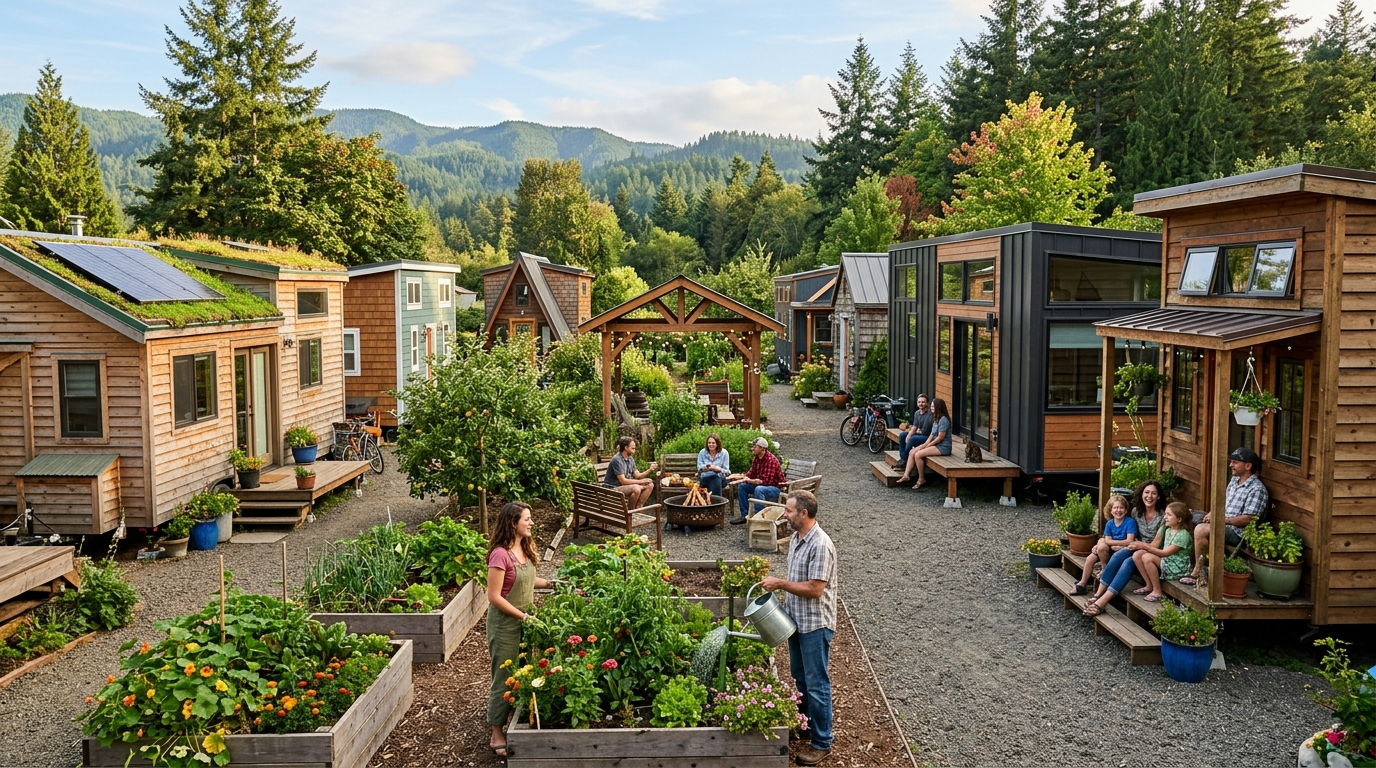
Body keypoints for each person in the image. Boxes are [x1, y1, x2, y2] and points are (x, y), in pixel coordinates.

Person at [760, 490, 836, 766]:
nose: (785, 514)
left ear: (803, 514)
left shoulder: (820, 545)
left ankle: (822, 742)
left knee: (817, 683)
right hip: (797, 621)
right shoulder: (796, 538)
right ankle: (806, 725)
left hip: (816, 624)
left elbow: (815, 589)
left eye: (789, 511)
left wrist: (780, 584)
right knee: (800, 677)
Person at [486, 501, 554, 757]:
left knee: (522, 670)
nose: (532, 523)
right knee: (503, 676)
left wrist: (551, 583)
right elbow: (494, 596)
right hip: (505, 624)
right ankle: (496, 731)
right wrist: (524, 617)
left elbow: (524, 579)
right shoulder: (500, 554)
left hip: (526, 621)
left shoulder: (522, 548)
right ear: (513, 523)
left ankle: (513, 711)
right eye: (527, 519)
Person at [1184, 446, 1267, 585]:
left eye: (1235, 462)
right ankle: (1190, 565)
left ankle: (1200, 572)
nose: (1231, 465)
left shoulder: (1257, 489)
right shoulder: (1235, 481)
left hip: (1237, 532)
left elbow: (1249, 519)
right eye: (1231, 462)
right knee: (1185, 515)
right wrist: (1212, 513)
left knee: (1201, 529)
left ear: (1248, 466)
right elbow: (1223, 501)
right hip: (1223, 521)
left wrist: (1221, 520)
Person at [1071, 495, 1137, 595]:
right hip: (1108, 551)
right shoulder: (1110, 523)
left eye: (1121, 507)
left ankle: (1104, 573)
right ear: (1110, 511)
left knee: (1102, 545)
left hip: (1123, 551)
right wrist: (1105, 543)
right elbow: (1107, 541)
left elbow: (1130, 540)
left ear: (1126, 510)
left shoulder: (1130, 522)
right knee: (1090, 558)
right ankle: (1082, 583)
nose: (1118, 510)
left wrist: (1117, 545)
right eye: (1115, 508)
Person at [1131, 502, 1193, 602]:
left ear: (1179, 519)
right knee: (1137, 555)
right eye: (1165, 514)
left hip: (1176, 569)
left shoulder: (1183, 535)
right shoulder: (1168, 530)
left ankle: (1157, 591)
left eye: (1169, 515)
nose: (1165, 517)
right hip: (1167, 563)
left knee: (1147, 557)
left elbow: (1165, 553)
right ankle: (1149, 585)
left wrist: (1144, 545)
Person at [728, 436, 785, 523]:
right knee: (742, 486)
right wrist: (740, 478)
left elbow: (766, 482)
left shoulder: (771, 460)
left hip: (775, 489)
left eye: (755, 447)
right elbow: (750, 474)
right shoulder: (757, 458)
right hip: (762, 485)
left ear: (762, 449)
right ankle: (745, 515)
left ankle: (759, 519)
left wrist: (748, 480)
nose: (752, 449)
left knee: (759, 489)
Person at [902, 398, 952, 489]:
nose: (931, 408)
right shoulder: (936, 418)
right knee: (912, 451)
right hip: (935, 444)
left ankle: (921, 479)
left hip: (943, 447)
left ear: (938, 407)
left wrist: (927, 446)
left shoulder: (943, 420)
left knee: (918, 455)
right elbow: (932, 435)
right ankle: (906, 476)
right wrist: (925, 444)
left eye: (933, 406)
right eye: (931, 406)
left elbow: (940, 438)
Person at [603, 436, 657, 508]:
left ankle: (638, 507)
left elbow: (637, 475)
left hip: (624, 486)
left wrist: (650, 470)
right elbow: (623, 481)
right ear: (626, 448)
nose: (635, 449)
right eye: (633, 448)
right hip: (613, 488)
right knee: (636, 488)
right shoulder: (617, 460)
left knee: (650, 485)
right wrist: (641, 481)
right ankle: (630, 512)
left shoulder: (630, 458)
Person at [896, 394, 933, 468]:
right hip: (920, 434)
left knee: (912, 439)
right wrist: (909, 435)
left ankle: (906, 459)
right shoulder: (917, 413)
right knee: (902, 435)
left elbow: (926, 430)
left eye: (923, 402)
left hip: (928, 437)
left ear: (927, 403)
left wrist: (916, 433)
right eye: (919, 402)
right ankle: (903, 458)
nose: (921, 404)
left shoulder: (930, 414)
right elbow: (914, 427)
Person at [696, 433, 730, 497]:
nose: (711, 445)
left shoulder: (724, 453)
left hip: (721, 479)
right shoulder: (702, 453)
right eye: (709, 443)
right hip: (705, 479)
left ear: (717, 444)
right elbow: (699, 468)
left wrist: (718, 469)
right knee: (715, 480)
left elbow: (727, 471)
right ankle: (717, 502)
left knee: (716, 478)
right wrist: (706, 468)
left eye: (713, 443)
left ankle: (712, 502)